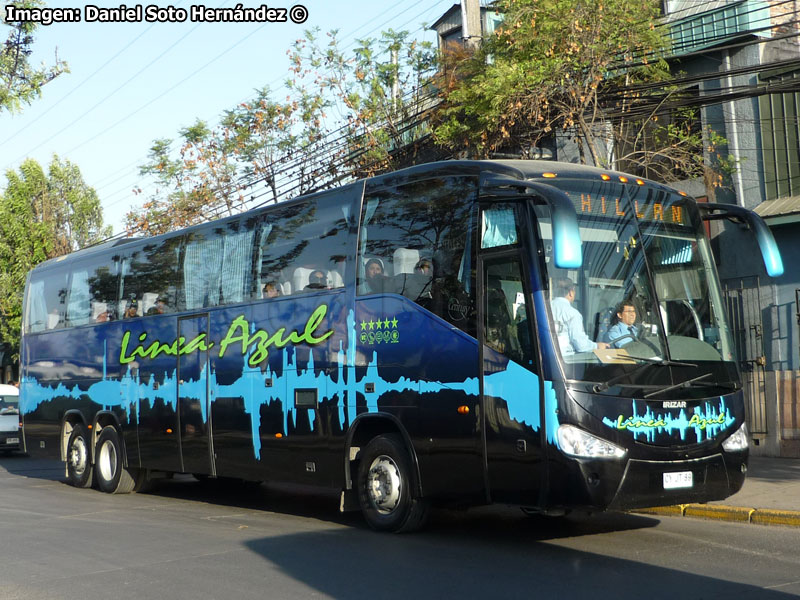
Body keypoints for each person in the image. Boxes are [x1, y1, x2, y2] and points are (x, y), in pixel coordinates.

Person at [551, 277, 608, 355]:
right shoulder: (572, 313)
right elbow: (581, 345)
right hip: (565, 360)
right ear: (571, 292)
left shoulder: (544, 308)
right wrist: (597, 346)